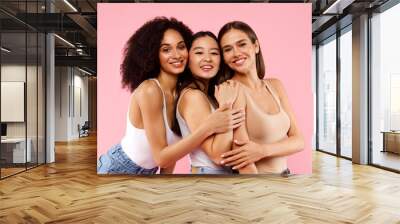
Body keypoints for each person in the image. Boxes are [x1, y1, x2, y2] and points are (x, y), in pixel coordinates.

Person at [97, 17, 245, 175]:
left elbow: (171, 155)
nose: (176, 55)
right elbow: (161, 157)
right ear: (153, 54)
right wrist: (208, 127)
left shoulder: (180, 93)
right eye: (166, 49)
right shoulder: (150, 90)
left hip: (148, 172)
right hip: (117, 168)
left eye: (181, 47)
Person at [217, 21, 304, 175]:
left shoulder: (275, 85)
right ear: (224, 57)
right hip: (258, 184)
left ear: (256, 46)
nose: (236, 53)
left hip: (285, 176)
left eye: (241, 44)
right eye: (228, 49)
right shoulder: (233, 90)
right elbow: (242, 160)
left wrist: (263, 150)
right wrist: (260, 193)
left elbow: (299, 141)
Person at [176, 31, 249, 174]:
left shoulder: (210, 95)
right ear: (188, 60)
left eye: (214, 53)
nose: (207, 59)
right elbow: (217, 156)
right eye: (199, 53)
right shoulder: (193, 97)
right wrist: (226, 106)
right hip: (209, 177)